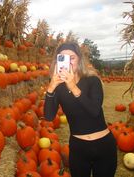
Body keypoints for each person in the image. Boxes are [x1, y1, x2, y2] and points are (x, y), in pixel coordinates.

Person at [44, 42, 117, 177]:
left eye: (72, 57)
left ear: (79, 60)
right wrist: (51, 87)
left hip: (104, 146)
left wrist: (73, 87)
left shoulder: (92, 80)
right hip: (78, 148)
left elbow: (94, 111)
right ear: (57, 62)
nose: (68, 62)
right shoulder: (59, 87)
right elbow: (48, 116)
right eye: (63, 58)